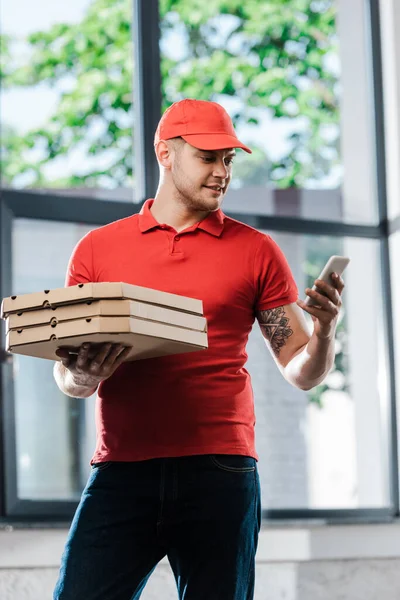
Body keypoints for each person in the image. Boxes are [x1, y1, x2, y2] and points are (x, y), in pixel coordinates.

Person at [53, 99, 344, 600]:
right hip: (123, 466)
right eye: (208, 158)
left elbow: (302, 371)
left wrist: (324, 332)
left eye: (229, 160)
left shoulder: (256, 250)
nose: (222, 172)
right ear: (165, 153)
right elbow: (69, 378)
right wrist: (83, 375)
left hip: (220, 469)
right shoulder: (98, 249)